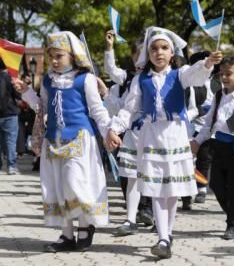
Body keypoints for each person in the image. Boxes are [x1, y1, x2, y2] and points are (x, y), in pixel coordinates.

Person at [105, 26, 222, 259]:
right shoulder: (140, 80)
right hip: (151, 136)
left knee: (172, 190)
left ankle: (166, 233)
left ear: (172, 53)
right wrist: (114, 129)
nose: (159, 52)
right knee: (157, 189)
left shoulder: (180, 74)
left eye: (164, 48)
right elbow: (130, 109)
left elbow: (196, 75)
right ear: (148, 54)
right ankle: (163, 237)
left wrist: (208, 63)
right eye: (154, 49)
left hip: (175, 135)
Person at [14, 31, 111, 252]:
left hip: (79, 139)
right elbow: (42, 107)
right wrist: (27, 92)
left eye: (59, 56)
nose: (55, 61)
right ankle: (67, 235)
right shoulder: (48, 80)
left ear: (73, 55)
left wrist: (109, 132)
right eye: (52, 57)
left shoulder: (84, 79)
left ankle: (86, 226)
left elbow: (97, 109)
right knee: (57, 187)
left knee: (74, 184)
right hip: (53, 141)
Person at [192, 56, 234, 240]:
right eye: (221, 73)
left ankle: (232, 223)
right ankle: (233, 215)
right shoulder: (218, 95)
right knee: (215, 184)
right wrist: (197, 141)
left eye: (228, 74)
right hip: (218, 146)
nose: (223, 77)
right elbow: (209, 123)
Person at [104, 30, 154, 232]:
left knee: (155, 177)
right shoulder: (130, 78)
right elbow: (127, 108)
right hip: (133, 132)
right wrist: (109, 48)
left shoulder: (170, 76)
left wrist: (207, 64)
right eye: (138, 54)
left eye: (146, 53)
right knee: (130, 175)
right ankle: (131, 218)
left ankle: (156, 217)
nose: (142, 58)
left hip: (157, 134)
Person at [181, 51, 221, 210]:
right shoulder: (188, 84)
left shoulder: (217, 83)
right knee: (188, 161)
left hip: (209, 127)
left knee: (205, 158)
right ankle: (185, 195)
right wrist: (198, 110)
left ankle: (202, 188)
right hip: (191, 126)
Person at [0, 56, 20, 175]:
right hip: (10, 113)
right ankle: (11, 166)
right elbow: (17, 96)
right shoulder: (11, 78)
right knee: (10, 141)